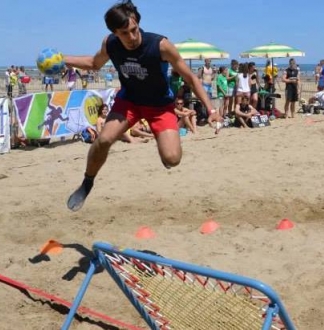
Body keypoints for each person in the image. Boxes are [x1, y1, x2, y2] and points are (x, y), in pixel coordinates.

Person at [64, 0, 215, 211]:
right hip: (130, 102)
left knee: (172, 159)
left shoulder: (160, 45)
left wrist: (211, 109)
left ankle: (164, 148)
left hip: (160, 106)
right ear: (115, 32)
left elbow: (190, 77)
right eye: (125, 33)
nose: (132, 37)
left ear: (138, 23)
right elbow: (93, 63)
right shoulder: (110, 44)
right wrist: (63, 59)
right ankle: (87, 183)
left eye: (134, 30)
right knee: (104, 139)